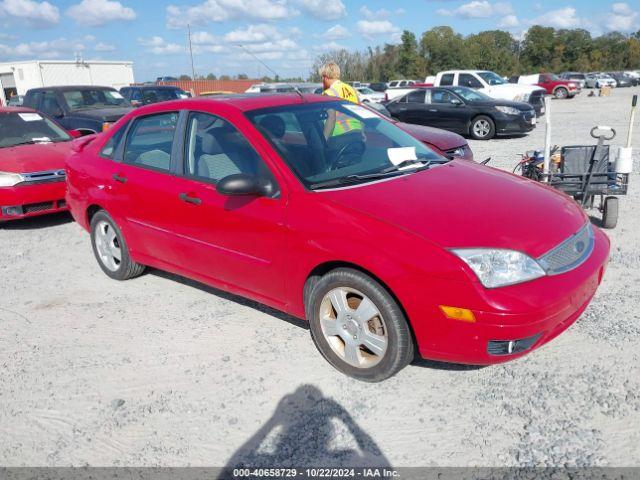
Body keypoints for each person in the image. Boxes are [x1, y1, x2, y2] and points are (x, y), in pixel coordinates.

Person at [318, 62, 362, 140]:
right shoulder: (351, 89)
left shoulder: (329, 93)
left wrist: (323, 142)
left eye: (322, 78)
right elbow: (361, 112)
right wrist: (362, 133)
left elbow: (331, 119)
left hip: (340, 137)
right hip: (357, 133)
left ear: (325, 77)